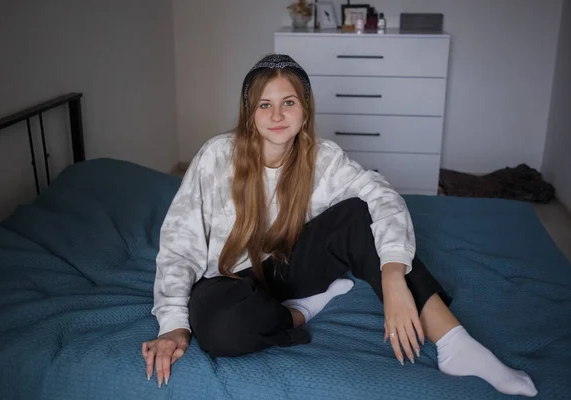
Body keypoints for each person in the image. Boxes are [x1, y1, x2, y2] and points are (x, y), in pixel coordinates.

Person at [141, 54, 537, 397]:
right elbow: (180, 242)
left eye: (288, 102)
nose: (277, 115)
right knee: (220, 331)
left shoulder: (324, 158)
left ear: (306, 109)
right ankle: (302, 312)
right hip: (227, 278)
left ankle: (457, 344)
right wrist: (173, 324)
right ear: (249, 112)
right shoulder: (216, 155)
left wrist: (393, 276)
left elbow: (383, 197)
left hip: (288, 266)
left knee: (359, 214)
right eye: (264, 105)